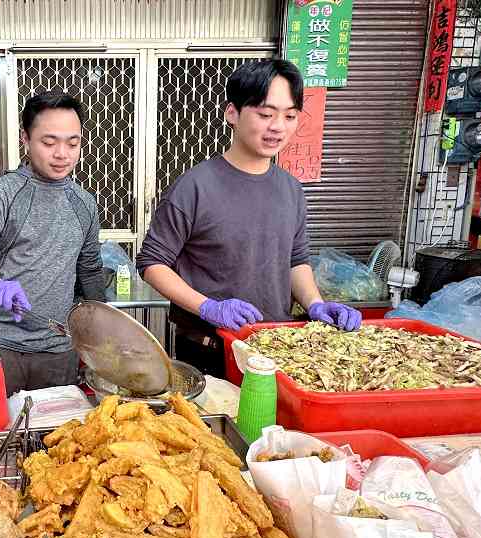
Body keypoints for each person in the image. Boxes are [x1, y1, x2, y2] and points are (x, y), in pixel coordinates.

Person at [135, 59, 361, 378]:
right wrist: (208, 307)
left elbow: (296, 260)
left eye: (290, 116)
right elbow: (151, 263)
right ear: (232, 113)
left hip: (275, 347)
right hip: (209, 349)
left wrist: (314, 304)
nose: (278, 127)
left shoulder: (291, 189)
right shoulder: (196, 185)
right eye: (265, 114)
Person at [0, 92, 106, 395]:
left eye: (73, 143)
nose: (62, 153)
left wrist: (102, 331)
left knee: (58, 440)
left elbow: (89, 271)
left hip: (58, 351)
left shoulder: (84, 204)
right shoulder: (2, 195)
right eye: (49, 143)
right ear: (26, 138)